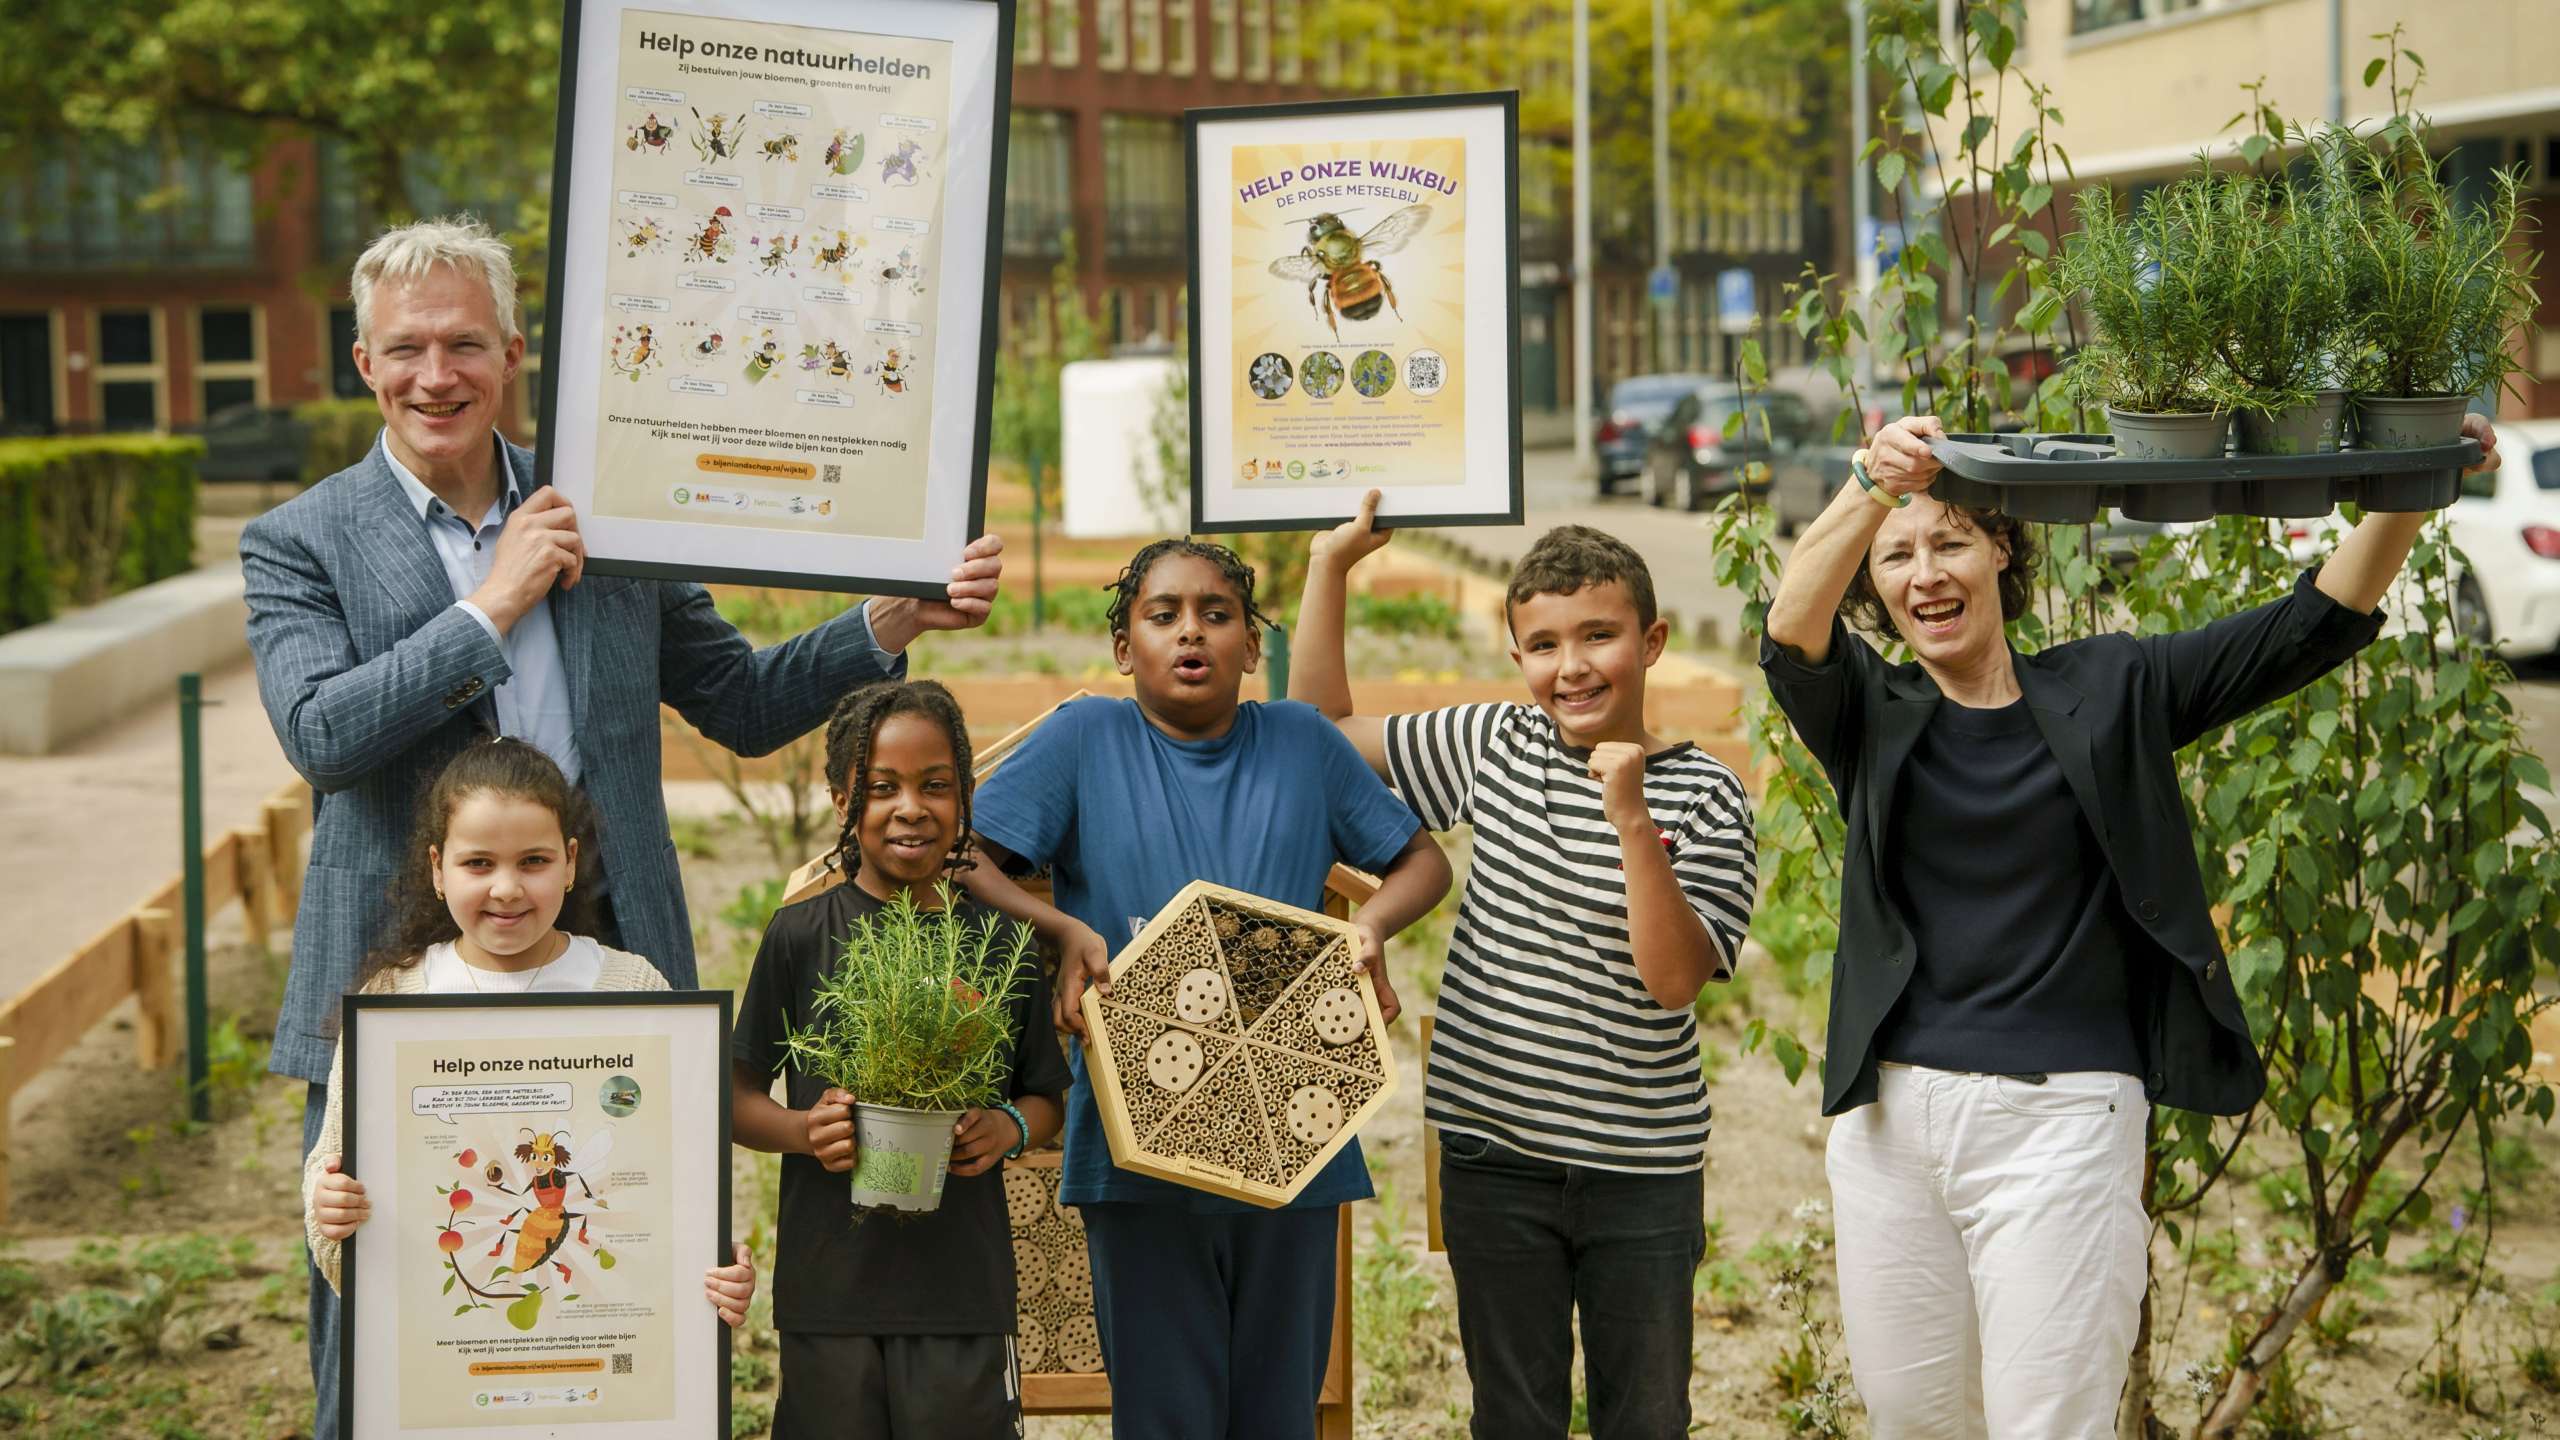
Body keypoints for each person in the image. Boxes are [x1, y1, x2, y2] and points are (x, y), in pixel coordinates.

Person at [241, 217, 1001, 1435]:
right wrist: (491, 608)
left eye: (464, 345)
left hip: (610, 966)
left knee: (619, 1297)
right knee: (393, 1329)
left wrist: (890, 619)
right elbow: (321, 737)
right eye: (406, 349)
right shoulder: (297, 541)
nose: (435, 375)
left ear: (514, 355)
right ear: (361, 361)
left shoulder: (612, 510)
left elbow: (744, 704)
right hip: (401, 983)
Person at [1758, 412, 2504, 1438]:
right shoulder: (1869, 715)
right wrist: (1867, 483)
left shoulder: (2112, 687)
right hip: (1891, 1128)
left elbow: (2313, 621)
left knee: (2050, 1422)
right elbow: (1790, 625)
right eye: (1896, 556)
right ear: (1876, 586)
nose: (1924, 573)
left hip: (2060, 1124)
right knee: (1912, 1423)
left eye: (1949, 542)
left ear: (2000, 550)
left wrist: (2416, 479)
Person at [957, 539, 1452, 1439]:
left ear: (1252, 647)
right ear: (1123, 649)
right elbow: (969, 861)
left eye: (1218, 614)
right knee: (1165, 1417)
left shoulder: (1300, 740)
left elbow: (1422, 859)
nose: (1192, 632)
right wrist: (1064, 931)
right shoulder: (1084, 739)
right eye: (1163, 615)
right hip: (1136, 1140)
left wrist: (1370, 926)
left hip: (1291, 1130)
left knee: (1277, 1413)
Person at [1294, 501, 1757, 1439]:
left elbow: (1672, 980)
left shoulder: (1709, 794)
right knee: (1512, 1415)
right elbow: (1318, 734)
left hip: (1643, 1170)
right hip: (1491, 1151)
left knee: (1648, 1416)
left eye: (1599, 635)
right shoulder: (1495, 742)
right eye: (1543, 644)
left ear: (1652, 639)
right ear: (1517, 657)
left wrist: (1632, 818)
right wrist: (1329, 565)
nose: (1572, 665)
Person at [302, 738, 757, 1347]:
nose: (508, 888)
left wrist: (712, 1263)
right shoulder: (395, 998)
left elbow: (681, 1175)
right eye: (479, 863)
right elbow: (330, 1161)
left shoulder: (633, 988)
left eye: (534, 861)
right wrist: (328, 1205)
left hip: (596, 1351)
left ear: (571, 863)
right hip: (451, 1351)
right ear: (437, 868)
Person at [731, 680, 1071, 1440]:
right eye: (881, 788)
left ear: (966, 797)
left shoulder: (999, 943)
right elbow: (736, 1093)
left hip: (962, 1293)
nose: (910, 807)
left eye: (935, 786)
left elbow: (1053, 1093)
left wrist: (1009, 1127)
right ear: (840, 797)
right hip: (830, 1292)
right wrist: (802, 1132)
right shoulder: (799, 934)